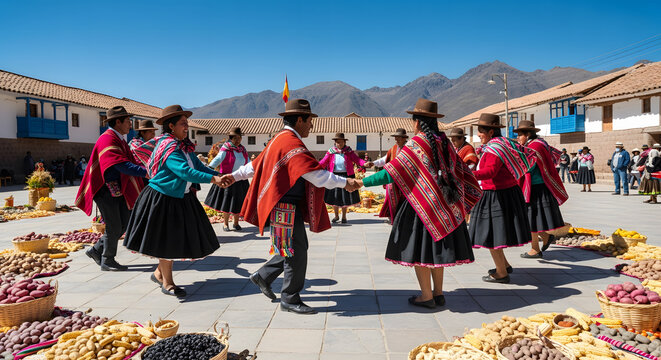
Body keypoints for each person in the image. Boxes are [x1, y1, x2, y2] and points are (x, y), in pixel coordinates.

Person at [222, 99, 360, 314]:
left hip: (285, 204)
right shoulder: (289, 142)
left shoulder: (280, 139)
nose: (311, 126)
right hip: (285, 204)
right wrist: (346, 183)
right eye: (309, 120)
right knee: (296, 250)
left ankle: (263, 276)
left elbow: (254, 165)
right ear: (299, 119)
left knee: (293, 246)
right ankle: (290, 297)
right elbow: (315, 174)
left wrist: (234, 176)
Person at [358, 99, 481, 308]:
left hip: (420, 207)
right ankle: (438, 293)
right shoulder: (446, 143)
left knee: (420, 253)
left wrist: (363, 181)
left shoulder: (416, 144)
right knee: (435, 251)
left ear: (416, 123)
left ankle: (426, 296)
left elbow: (392, 172)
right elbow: (460, 171)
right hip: (444, 206)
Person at [123, 105, 224, 297]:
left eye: (187, 124)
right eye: (183, 124)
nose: (187, 127)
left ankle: (159, 273)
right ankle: (167, 283)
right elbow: (185, 172)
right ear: (171, 126)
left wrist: (219, 175)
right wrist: (214, 180)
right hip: (163, 198)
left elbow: (197, 166)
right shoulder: (169, 147)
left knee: (172, 239)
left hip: (179, 198)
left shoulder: (183, 147)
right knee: (166, 240)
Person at [75, 106, 147, 271]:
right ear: (118, 122)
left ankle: (96, 250)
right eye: (128, 121)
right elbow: (121, 164)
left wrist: (148, 169)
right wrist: (146, 172)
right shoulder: (107, 139)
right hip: (104, 190)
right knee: (114, 225)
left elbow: (130, 161)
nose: (130, 124)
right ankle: (107, 259)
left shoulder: (119, 138)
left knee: (125, 223)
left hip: (116, 189)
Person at [469, 113, 535, 283]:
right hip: (505, 192)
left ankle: (501, 273)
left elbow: (491, 171)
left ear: (491, 132)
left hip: (496, 195)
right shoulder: (502, 143)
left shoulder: (494, 148)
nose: (478, 135)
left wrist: (467, 174)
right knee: (495, 234)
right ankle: (504, 265)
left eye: (481, 131)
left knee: (491, 236)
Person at [513, 121, 568, 259]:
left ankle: (535, 249)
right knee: (533, 219)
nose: (518, 138)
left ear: (528, 134)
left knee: (530, 219)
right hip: (537, 187)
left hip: (536, 187)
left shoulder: (534, 146)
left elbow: (529, 167)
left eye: (520, 135)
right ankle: (545, 237)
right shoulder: (538, 143)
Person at [319, 133, 372, 224]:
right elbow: (323, 162)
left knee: (344, 198)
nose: (340, 144)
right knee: (334, 197)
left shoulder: (349, 152)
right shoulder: (331, 152)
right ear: (335, 143)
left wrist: (364, 164)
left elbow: (357, 160)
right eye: (338, 142)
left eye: (341, 142)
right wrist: (314, 167)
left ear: (344, 142)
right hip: (334, 176)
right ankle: (336, 216)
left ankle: (344, 216)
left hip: (347, 176)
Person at [204, 127, 249, 232]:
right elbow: (216, 160)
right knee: (227, 201)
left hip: (240, 179)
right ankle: (225, 224)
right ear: (231, 138)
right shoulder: (225, 149)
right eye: (235, 138)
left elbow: (247, 162)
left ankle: (236, 223)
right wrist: (209, 172)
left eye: (239, 138)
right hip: (227, 179)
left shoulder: (243, 149)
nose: (238, 140)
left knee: (239, 202)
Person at [373, 128, 409, 222]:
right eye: (395, 138)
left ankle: (401, 218)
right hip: (393, 180)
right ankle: (392, 218)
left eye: (399, 138)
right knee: (391, 198)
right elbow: (384, 160)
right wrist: (373, 163)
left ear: (404, 138)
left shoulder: (409, 149)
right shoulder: (393, 149)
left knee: (404, 200)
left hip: (405, 180)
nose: (396, 140)